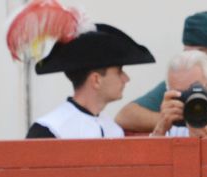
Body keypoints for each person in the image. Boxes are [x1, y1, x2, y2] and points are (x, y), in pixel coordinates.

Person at [25, 24, 155, 139]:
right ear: (96, 80)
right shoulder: (50, 130)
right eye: (119, 71)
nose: (126, 79)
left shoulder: (113, 131)